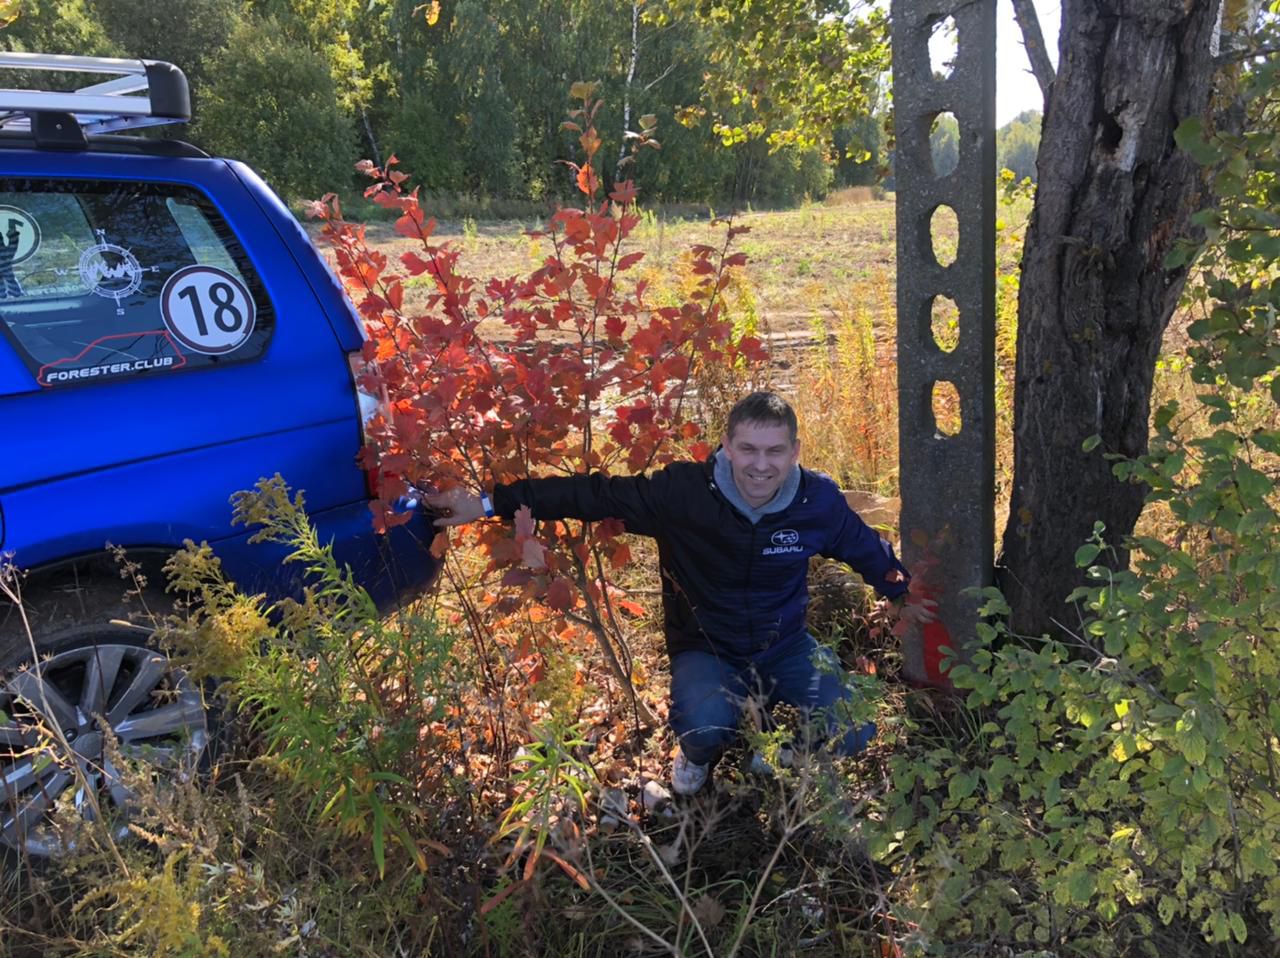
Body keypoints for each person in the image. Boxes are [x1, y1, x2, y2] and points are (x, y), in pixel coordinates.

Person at [426, 391, 909, 795]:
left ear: (795, 451)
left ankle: (782, 755)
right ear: (726, 446)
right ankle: (697, 757)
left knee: (854, 726)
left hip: (784, 645)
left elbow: (865, 549)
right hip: (706, 645)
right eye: (748, 449)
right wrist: (491, 503)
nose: (761, 465)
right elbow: (594, 495)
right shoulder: (683, 492)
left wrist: (901, 592)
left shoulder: (816, 501)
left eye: (774, 451)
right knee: (703, 724)